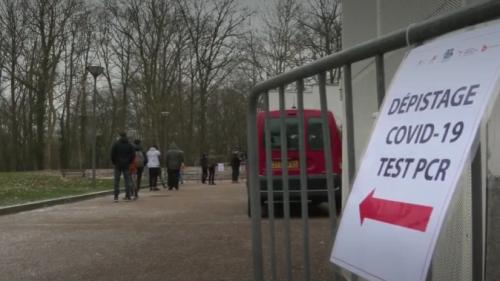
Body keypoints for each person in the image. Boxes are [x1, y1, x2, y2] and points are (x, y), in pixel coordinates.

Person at [110, 132, 135, 201]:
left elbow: (112, 154)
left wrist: (114, 162)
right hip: (126, 165)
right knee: (127, 180)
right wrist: (129, 161)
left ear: (120, 136)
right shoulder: (129, 144)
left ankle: (116, 196)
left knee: (116, 181)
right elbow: (133, 155)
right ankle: (128, 196)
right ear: (126, 136)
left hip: (117, 164)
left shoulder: (116, 144)